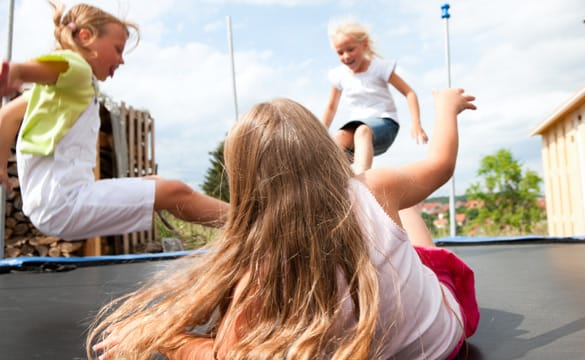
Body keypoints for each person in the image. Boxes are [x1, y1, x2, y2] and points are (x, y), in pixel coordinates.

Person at [87, 88, 478, 360]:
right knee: (410, 230)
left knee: (405, 231)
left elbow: (224, 355)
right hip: (444, 340)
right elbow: (440, 164)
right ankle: (358, 169)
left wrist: (164, 336)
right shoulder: (377, 189)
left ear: (243, 184)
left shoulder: (259, 272)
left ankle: (360, 168)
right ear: (325, 153)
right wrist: (445, 106)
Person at [0, 2, 228, 241]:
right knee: (175, 191)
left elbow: (7, 115)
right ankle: (253, 224)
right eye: (118, 49)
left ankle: (244, 224)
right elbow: (49, 67)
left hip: (51, 204)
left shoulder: (51, 93)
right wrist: (18, 70)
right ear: (86, 37)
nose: (121, 60)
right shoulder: (79, 69)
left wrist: (1, 168)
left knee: (158, 182)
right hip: (65, 204)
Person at [321, 19, 433, 245]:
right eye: (340, 52)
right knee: (337, 140)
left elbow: (409, 92)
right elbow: (332, 107)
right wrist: (319, 134)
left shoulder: (380, 68)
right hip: (358, 126)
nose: (346, 57)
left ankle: (363, 181)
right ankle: (332, 185)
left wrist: (416, 123)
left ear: (364, 45)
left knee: (362, 131)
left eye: (350, 49)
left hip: (384, 125)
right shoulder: (339, 76)